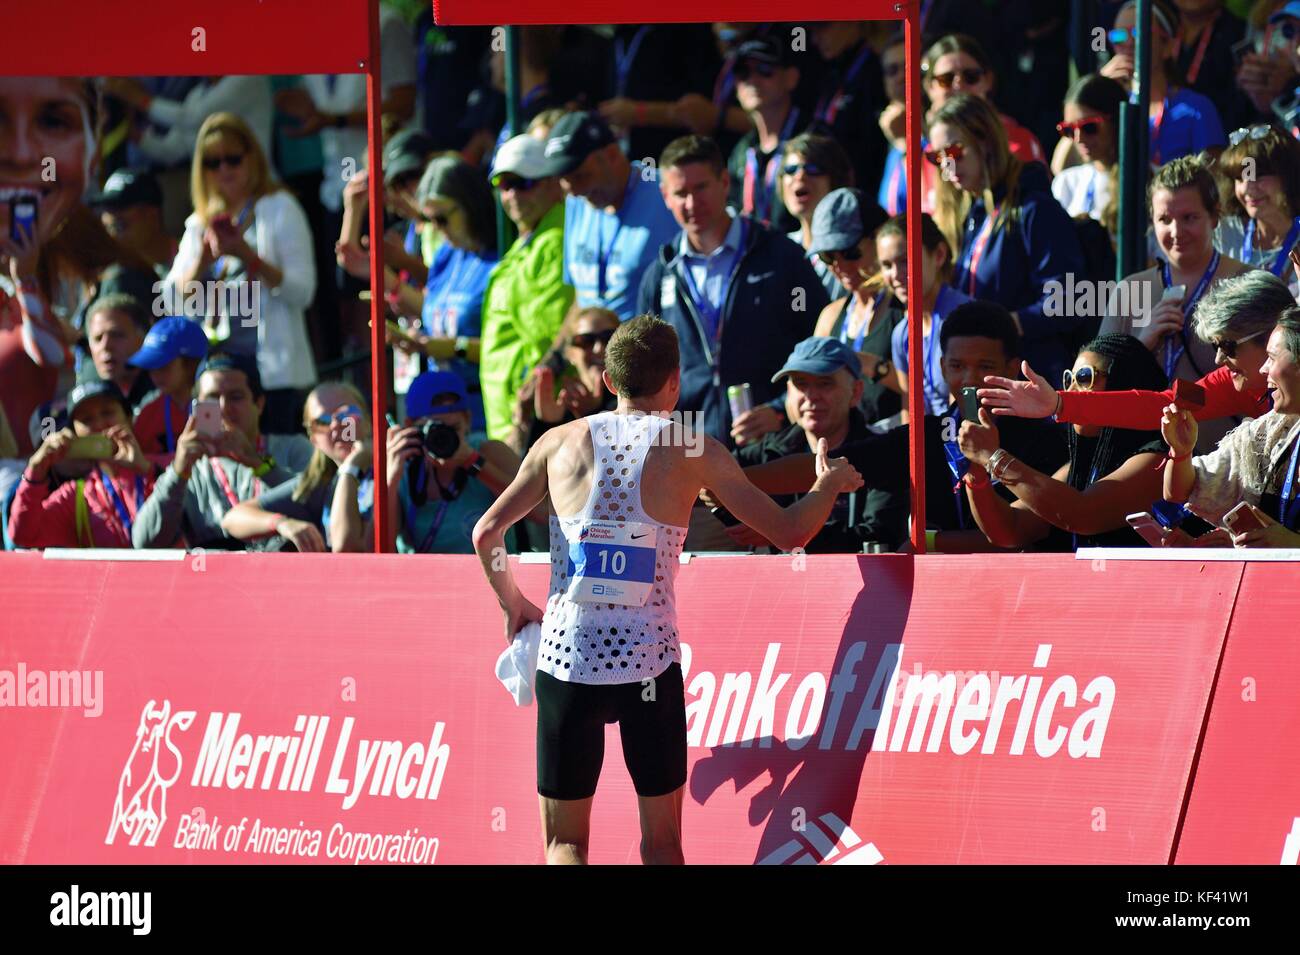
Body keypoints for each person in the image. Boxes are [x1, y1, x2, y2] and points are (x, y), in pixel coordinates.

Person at [471, 316, 863, 865]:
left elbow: (486, 533)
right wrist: (828, 485)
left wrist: (513, 604)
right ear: (675, 382)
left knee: (564, 845)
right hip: (648, 663)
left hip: (567, 659)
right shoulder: (690, 445)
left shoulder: (558, 440)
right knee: (662, 845)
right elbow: (792, 531)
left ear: (608, 381)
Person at [742, 301, 1069, 553]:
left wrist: (930, 540)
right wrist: (727, 484)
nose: (969, 380)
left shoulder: (1046, 441)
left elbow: (1014, 535)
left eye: (985, 367)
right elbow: (832, 465)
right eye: (957, 366)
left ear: (1012, 368)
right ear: (941, 367)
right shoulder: (925, 435)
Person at [636, 135, 829, 446]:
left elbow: (819, 345)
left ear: (725, 182)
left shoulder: (780, 255)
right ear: (665, 196)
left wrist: (782, 409)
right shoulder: (660, 274)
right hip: (691, 449)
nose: (692, 203)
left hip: (771, 442)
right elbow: (645, 370)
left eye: (701, 188)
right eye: (680, 193)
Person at [0, 78, 154, 458]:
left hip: (111, 436)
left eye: (53, 122)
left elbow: (60, 357)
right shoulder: (74, 287)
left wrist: (29, 283)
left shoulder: (117, 279)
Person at [982, 269, 1290, 432]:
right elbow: (1159, 406)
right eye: (1216, 346)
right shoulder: (1229, 381)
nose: (1219, 359)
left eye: (1228, 346)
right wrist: (1060, 404)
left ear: (1273, 335)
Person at [165, 112, 318, 434]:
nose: (224, 170)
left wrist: (248, 257)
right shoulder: (199, 223)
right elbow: (172, 302)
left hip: (274, 379)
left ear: (253, 158)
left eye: (233, 159)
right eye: (213, 162)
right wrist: (202, 262)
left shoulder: (280, 207)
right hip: (219, 378)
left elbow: (303, 292)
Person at [928, 93, 1087, 390]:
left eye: (954, 151)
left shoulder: (1035, 208)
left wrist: (1003, 325)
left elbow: (1069, 302)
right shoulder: (970, 216)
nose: (947, 166)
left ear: (986, 140)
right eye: (936, 157)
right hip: (982, 383)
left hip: (1032, 382)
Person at [958, 334, 1173, 550]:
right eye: (1068, 379)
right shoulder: (1080, 466)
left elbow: (1083, 515)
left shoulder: (1159, 460)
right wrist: (977, 472)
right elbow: (1010, 530)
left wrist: (994, 457)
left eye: (1084, 378)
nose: (1069, 392)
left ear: (1125, 382)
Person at [1100, 154, 1252, 450]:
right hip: (1144, 463)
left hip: (1226, 465)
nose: (1176, 232)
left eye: (1189, 218)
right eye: (1164, 220)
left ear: (1215, 216)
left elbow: (1272, 382)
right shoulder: (1131, 290)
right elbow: (1096, 384)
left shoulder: (1248, 285)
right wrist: (1140, 345)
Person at [731, 336, 908, 552]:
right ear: (788, 392)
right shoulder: (769, 450)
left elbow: (879, 536)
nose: (811, 396)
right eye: (800, 384)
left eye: (825, 383)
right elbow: (709, 481)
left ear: (856, 392)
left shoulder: (881, 453)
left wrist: (782, 534)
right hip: (779, 582)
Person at [133, 352, 311, 550]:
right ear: (195, 407)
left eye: (236, 397)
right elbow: (144, 541)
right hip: (213, 578)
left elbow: (317, 505)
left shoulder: (294, 448)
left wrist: (259, 464)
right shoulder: (190, 469)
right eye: (212, 398)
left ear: (259, 404)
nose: (224, 408)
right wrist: (177, 473)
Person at [1162, 306, 1300, 546]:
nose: (1263, 368)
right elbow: (1179, 491)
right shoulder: (1271, 433)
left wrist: (1292, 546)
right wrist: (1181, 452)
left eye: (1273, 357)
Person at [387, 156, 499, 431]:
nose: (436, 228)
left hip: (486, 411)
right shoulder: (446, 257)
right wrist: (417, 340)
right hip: (440, 414)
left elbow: (511, 347)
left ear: (470, 205)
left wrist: (452, 348)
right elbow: (436, 315)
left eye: (442, 218)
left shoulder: (501, 259)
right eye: (428, 219)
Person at [479, 135, 574, 445]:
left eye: (524, 183)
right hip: (512, 417)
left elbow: (546, 335)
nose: (513, 194)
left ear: (551, 184)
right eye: (504, 186)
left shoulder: (555, 240)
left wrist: (522, 417)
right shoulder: (529, 241)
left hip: (532, 417)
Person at [538, 111, 679, 319]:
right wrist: (559, 350)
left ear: (612, 155)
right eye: (564, 180)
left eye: (580, 176)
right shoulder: (577, 202)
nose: (575, 190)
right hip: (592, 345)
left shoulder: (664, 193)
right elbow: (581, 298)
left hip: (646, 346)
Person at [221, 382, 373, 553]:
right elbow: (232, 519)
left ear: (368, 422)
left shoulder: (391, 469)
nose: (336, 425)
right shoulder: (321, 482)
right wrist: (282, 523)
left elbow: (347, 547)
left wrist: (351, 467)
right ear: (313, 438)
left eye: (347, 415)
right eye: (322, 421)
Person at [385, 370, 523, 554]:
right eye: (436, 429)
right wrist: (390, 482)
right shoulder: (404, 467)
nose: (446, 438)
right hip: (424, 580)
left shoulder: (488, 452)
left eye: (454, 428)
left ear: (468, 420)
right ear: (411, 426)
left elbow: (540, 513)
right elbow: (374, 549)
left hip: (488, 577)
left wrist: (473, 462)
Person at [9, 380, 156, 549]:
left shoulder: (168, 465)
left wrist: (147, 470)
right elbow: (23, 535)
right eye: (87, 420)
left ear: (129, 418)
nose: (100, 424)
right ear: (76, 433)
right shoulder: (76, 494)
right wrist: (35, 472)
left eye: (107, 412)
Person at [808, 189, 899, 423]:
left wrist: (873, 367)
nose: (839, 265)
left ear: (880, 238)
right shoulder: (830, 316)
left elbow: (929, 389)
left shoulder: (907, 309)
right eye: (828, 256)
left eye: (850, 252)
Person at [1100, 0, 1227, 165]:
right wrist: (1098, 91)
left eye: (1139, 33)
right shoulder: (1110, 106)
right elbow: (1062, 165)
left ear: (1168, 46)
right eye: (1119, 36)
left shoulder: (1196, 109)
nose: (1129, 43)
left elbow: (1215, 180)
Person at [881, 213, 973, 420]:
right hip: (933, 443)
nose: (895, 275)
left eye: (905, 261)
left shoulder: (964, 317)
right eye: (886, 265)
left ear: (939, 255)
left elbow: (969, 412)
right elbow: (911, 412)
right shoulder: (901, 333)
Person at [922, 34, 1048, 167]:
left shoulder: (1018, 142)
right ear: (929, 87)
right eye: (946, 79)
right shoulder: (923, 152)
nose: (958, 86)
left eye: (971, 77)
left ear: (988, 80)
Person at [725, 36, 808, 233]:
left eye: (764, 70)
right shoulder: (741, 151)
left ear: (791, 77)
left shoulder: (814, 139)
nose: (752, 81)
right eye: (743, 73)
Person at [1212, 123, 1300, 294]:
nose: (1246, 189)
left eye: (1258, 176)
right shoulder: (1225, 233)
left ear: (1288, 176)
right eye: (1239, 178)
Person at [806, 21, 889, 201]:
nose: (814, 38)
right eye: (811, 29)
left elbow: (871, 149)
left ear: (852, 21)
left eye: (822, 26)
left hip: (863, 192)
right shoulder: (831, 70)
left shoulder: (874, 71)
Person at [522, 307, 620, 451]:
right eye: (585, 340)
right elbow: (538, 468)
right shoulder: (563, 403)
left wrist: (592, 414)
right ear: (570, 353)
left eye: (608, 338)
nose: (598, 348)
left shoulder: (634, 398)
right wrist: (548, 423)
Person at [779, 133, 855, 301]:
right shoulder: (779, 250)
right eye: (790, 170)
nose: (800, 176)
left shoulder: (853, 250)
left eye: (813, 168)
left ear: (836, 179)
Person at [1050, 74, 1126, 236]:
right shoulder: (1066, 183)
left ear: (1116, 121)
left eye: (1089, 127)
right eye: (1069, 130)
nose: (1078, 139)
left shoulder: (1151, 182)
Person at [128, 315, 209, 459]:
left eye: (163, 366)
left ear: (190, 365)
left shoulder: (218, 408)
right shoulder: (147, 414)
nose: (155, 375)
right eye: (151, 367)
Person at [90, 168, 178, 279]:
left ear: (152, 215)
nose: (111, 216)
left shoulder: (193, 256)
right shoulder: (106, 278)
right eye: (106, 208)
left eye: (120, 206)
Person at [84, 294, 154, 412]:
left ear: (144, 339)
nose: (105, 346)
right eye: (98, 338)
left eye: (117, 335)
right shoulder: (83, 400)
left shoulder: (168, 393)